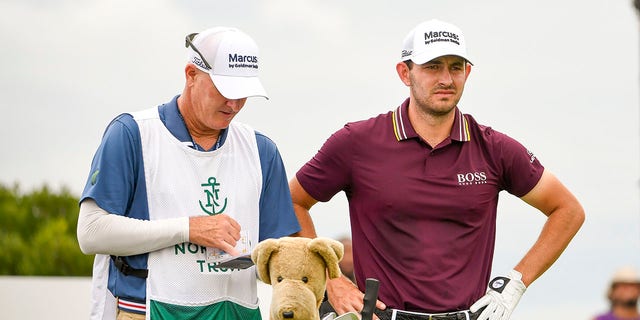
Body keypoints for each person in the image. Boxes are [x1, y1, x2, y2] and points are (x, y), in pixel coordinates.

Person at [290, 19, 585, 320]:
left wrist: (517, 282)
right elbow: (292, 201)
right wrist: (331, 278)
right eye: (432, 67)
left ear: (467, 73)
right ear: (405, 73)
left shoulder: (493, 148)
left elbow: (568, 210)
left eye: (456, 67)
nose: (446, 78)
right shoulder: (357, 142)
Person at [77, 27, 300, 320]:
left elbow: (278, 256)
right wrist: (189, 229)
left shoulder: (262, 150)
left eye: (243, 94)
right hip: (146, 309)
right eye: (224, 90)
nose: (233, 105)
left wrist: (327, 280)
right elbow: (90, 233)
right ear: (191, 74)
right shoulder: (132, 134)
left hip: (236, 312)